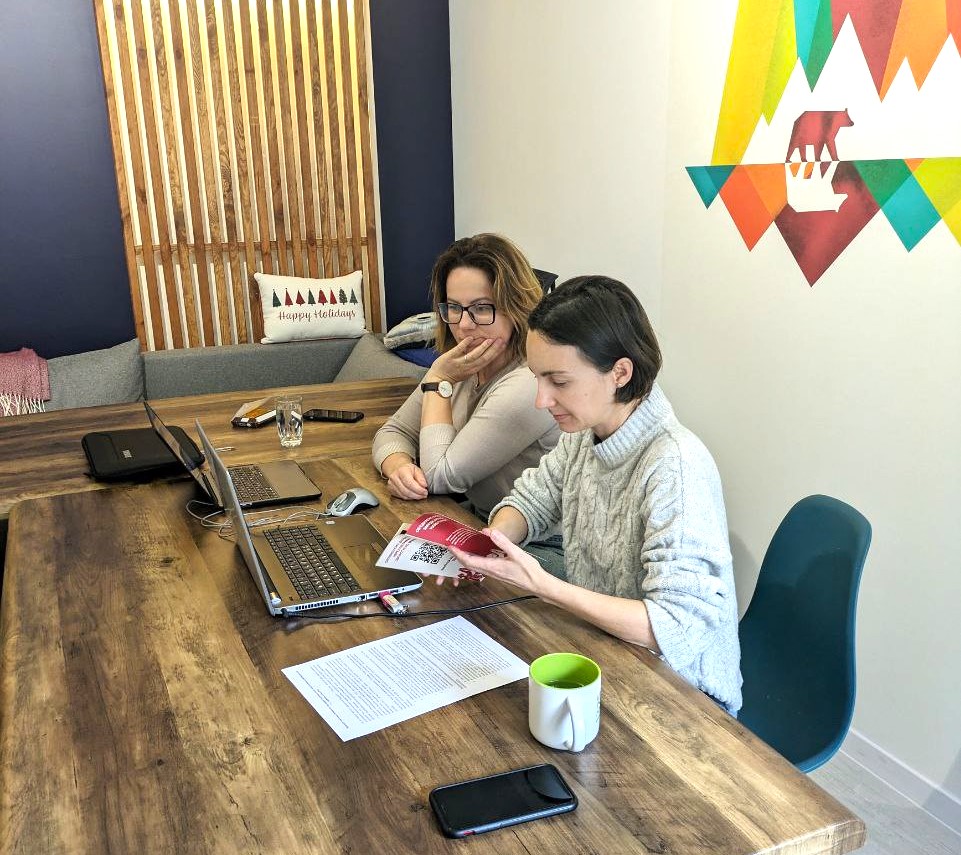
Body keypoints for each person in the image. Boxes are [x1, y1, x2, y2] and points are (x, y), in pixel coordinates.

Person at [449, 276, 743, 714]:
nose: (541, 400)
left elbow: (674, 626)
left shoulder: (676, 466)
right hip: (609, 652)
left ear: (620, 373)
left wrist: (544, 586)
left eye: (558, 381)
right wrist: (489, 545)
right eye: (537, 378)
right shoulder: (585, 432)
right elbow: (532, 500)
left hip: (686, 697)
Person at [372, 234, 560, 521]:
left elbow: (438, 477)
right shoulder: (461, 364)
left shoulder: (529, 382)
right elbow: (393, 431)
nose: (464, 325)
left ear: (517, 308)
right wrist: (398, 466)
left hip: (535, 540)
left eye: (482, 308)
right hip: (478, 518)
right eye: (454, 307)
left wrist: (439, 380)